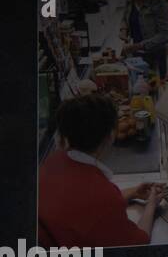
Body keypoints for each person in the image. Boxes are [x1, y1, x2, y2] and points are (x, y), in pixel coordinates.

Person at [38, 93, 161, 247]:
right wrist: (151, 204)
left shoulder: (53, 162)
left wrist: (133, 192)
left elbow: (83, 207)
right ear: (110, 135)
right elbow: (139, 241)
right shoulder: (103, 197)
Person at [119, 0, 168, 77]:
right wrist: (123, 30)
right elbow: (125, 18)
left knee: (155, 83)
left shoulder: (159, 4)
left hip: (155, 52)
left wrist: (139, 45)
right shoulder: (130, 0)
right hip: (137, 52)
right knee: (139, 82)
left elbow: (164, 34)